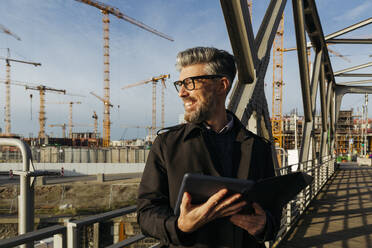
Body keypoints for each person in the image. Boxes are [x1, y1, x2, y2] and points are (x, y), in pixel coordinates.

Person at [137, 47, 281, 248]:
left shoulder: (258, 147)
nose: (181, 93)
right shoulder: (166, 145)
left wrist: (263, 225)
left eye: (190, 83)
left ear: (221, 85)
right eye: (180, 84)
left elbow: (274, 215)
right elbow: (146, 213)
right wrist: (179, 226)